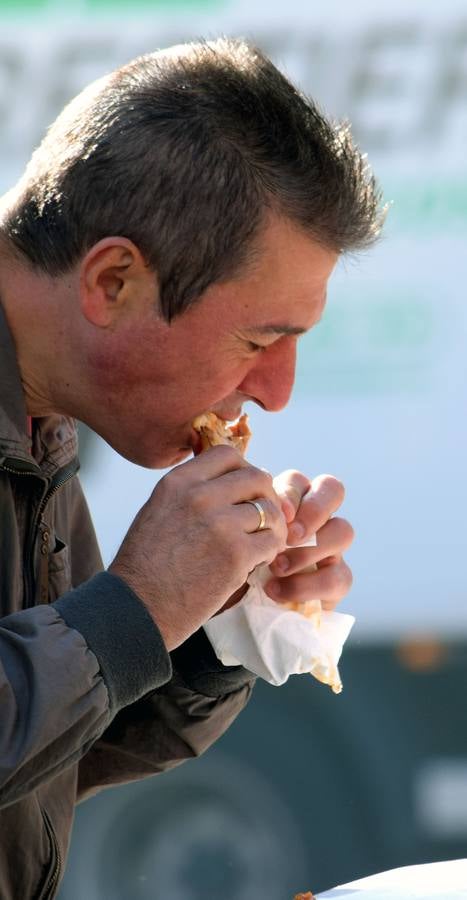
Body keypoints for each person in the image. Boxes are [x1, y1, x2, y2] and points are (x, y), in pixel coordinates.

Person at [0, 37, 383, 898]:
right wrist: (137, 603)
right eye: (258, 340)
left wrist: (218, 622)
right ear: (113, 282)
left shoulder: (45, 410)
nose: (275, 394)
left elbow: (50, 759)